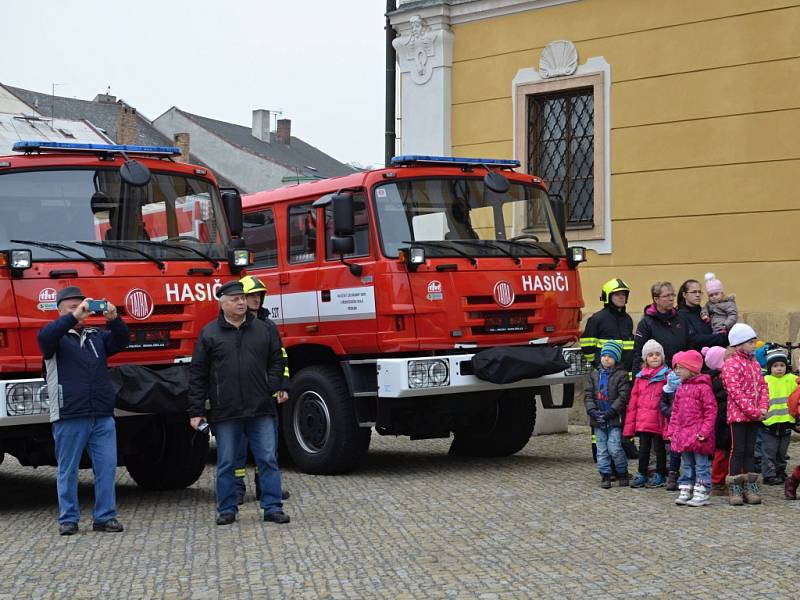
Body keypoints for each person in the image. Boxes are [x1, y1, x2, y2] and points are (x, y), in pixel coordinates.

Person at [188, 280, 290, 525]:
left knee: (267, 458)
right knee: (226, 462)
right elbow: (198, 374)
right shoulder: (209, 333)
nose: (242, 302)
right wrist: (196, 410)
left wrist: (275, 385)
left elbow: (278, 359)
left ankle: (273, 507)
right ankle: (227, 509)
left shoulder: (264, 329)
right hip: (226, 411)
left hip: (260, 408)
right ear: (222, 303)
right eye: (235, 299)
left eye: (243, 298)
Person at [37, 286, 130, 535]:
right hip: (69, 414)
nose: (80, 310)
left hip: (101, 414)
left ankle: (105, 517)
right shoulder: (54, 338)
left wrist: (114, 319)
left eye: (82, 305)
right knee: (68, 470)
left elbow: (122, 340)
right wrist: (73, 317)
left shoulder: (96, 336)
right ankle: (68, 518)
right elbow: (44, 337)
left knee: (107, 468)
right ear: (60, 311)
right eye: (72, 307)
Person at [234, 275, 291, 504]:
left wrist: (282, 386)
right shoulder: (234, 325)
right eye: (251, 295)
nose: (256, 299)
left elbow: (280, 357)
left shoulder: (268, 326)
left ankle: (265, 487)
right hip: (239, 397)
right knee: (237, 448)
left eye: (259, 295)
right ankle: (236, 490)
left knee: (268, 446)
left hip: (265, 396)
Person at [721, 323, 769, 506]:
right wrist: (754, 412)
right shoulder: (731, 364)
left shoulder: (755, 363)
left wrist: (763, 408)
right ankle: (735, 485)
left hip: (755, 415)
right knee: (738, 450)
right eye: (750, 342)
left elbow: (763, 386)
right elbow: (736, 393)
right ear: (739, 344)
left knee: (750, 450)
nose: (753, 345)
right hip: (739, 416)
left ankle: (751, 486)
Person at [667, 350, 717, 506]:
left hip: (698, 435)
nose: (677, 371)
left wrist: (704, 431)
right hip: (683, 434)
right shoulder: (681, 388)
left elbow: (711, 411)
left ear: (692, 369)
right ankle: (687, 487)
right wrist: (672, 430)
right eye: (676, 368)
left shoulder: (703, 388)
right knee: (687, 463)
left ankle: (702, 490)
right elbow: (675, 412)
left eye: (681, 367)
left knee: (701, 465)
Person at [584, 341, 631, 488]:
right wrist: (592, 410)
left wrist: (612, 411)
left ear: (616, 358)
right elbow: (588, 395)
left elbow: (623, 397)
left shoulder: (622, 375)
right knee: (602, 450)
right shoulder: (594, 375)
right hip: (597, 419)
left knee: (615, 447)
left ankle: (622, 472)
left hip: (614, 418)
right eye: (604, 355)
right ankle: (605, 474)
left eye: (610, 356)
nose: (606, 358)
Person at [624, 340, 670, 489]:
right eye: (650, 355)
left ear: (662, 357)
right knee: (643, 450)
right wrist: (630, 425)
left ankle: (660, 474)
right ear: (645, 359)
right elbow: (633, 402)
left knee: (659, 450)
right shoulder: (640, 377)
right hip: (643, 421)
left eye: (657, 354)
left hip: (659, 420)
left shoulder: (667, 376)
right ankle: (642, 473)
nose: (655, 357)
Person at [632, 282, 689, 373]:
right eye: (666, 296)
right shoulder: (646, 323)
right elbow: (638, 354)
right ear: (656, 299)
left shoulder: (681, 320)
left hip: (679, 373)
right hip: (656, 376)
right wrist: (637, 381)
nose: (671, 299)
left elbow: (688, 347)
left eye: (672, 295)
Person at [760, 347, 798, 485]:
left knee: (782, 452)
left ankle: (780, 471)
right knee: (769, 451)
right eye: (775, 366)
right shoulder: (765, 380)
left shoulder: (791, 379)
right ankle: (769, 475)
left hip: (787, 423)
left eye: (782, 365)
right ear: (770, 368)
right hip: (769, 423)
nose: (779, 369)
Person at [580, 278, 635, 371]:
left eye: (623, 294)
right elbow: (587, 347)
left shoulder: (628, 319)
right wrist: (597, 365)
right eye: (617, 294)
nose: (621, 297)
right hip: (606, 372)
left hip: (626, 372)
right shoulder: (597, 319)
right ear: (608, 297)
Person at [702, 346, 731, 496]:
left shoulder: (715, 378)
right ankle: (718, 480)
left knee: (727, 450)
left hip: (725, 417)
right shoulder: (719, 380)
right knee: (722, 451)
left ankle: (724, 478)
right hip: (721, 418)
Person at [676, 279, 728, 353]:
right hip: (696, 358)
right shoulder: (680, 315)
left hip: (715, 356)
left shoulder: (705, 312)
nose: (698, 295)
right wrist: (722, 338)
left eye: (699, 292)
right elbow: (693, 339)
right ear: (684, 295)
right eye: (694, 292)